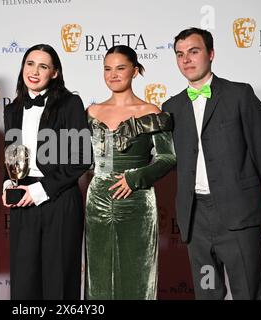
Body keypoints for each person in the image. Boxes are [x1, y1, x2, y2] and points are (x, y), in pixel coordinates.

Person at [162, 27, 261, 299]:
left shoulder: (239, 95)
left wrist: (239, 188)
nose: (186, 59)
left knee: (248, 291)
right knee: (207, 291)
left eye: (194, 51)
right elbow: (174, 160)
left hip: (237, 214)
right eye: (180, 54)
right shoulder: (171, 108)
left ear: (211, 54)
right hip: (196, 220)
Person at [85, 45, 176, 300]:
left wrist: (134, 179)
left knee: (138, 275)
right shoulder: (91, 112)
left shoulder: (151, 112)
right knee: (99, 277)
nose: (113, 75)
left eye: (120, 68)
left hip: (136, 200)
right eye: (107, 69)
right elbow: (76, 158)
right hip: (98, 200)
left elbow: (168, 158)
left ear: (135, 71)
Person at [2, 44, 91, 299]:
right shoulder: (13, 109)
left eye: (43, 66)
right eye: (30, 63)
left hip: (59, 200)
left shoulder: (71, 103)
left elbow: (82, 158)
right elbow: (11, 154)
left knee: (59, 282)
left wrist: (40, 190)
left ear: (54, 73)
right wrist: (9, 186)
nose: (34, 71)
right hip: (23, 204)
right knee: (24, 281)